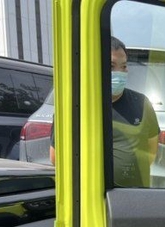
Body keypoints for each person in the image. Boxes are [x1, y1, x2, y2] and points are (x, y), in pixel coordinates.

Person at [50, 36, 159, 187]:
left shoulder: (141, 103)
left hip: (134, 196)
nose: (119, 72)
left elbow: (151, 151)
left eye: (123, 66)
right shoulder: (75, 106)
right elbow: (56, 157)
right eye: (111, 66)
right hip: (90, 195)